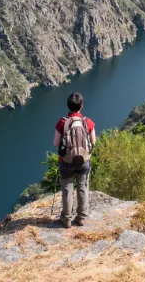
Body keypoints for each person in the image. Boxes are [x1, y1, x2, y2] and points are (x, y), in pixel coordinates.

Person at [54, 92, 96, 228]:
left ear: (68, 106)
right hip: (84, 161)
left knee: (67, 189)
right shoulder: (87, 122)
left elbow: (56, 143)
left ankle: (66, 219)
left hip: (66, 161)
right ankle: (81, 218)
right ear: (81, 106)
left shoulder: (62, 122)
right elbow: (93, 142)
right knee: (83, 187)